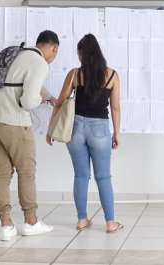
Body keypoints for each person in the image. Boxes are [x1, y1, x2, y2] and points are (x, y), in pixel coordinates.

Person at [0, 30, 59, 241]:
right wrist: (41, 101)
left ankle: (6, 226)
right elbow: (27, 102)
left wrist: (48, 96)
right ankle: (31, 221)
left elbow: (20, 81)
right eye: (56, 53)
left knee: (2, 173)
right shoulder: (40, 63)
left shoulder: (19, 53)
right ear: (54, 48)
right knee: (26, 171)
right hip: (13, 123)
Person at [48, 33, 123, 233]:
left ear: (82, 54)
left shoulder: (74, 74)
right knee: (104, 177)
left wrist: (51, 130)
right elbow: (115, 108)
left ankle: (82, 219)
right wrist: (116, 133)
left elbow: (60, 102)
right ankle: (110, 223)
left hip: (76, 128)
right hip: (100, 129)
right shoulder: (112, 75)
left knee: (81, 176)